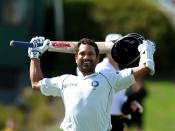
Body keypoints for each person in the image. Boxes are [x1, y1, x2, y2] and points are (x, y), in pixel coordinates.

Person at [28, 36, 155, 131]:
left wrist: (146, 51)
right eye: (82, 54)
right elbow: (36, 83)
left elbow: (145, 68)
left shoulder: (109, 79)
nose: (86, 57)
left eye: (90, 54)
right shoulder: (65, 81)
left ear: (97, 58)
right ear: (76, 58)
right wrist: (35, 56)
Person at [95, 34, 144, 131]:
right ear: (106, 49)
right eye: (113, 47)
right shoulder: (101, 69)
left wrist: (127, 103)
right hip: (105, 122)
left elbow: (115, 95)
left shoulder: (117, 69)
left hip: (117, 122)